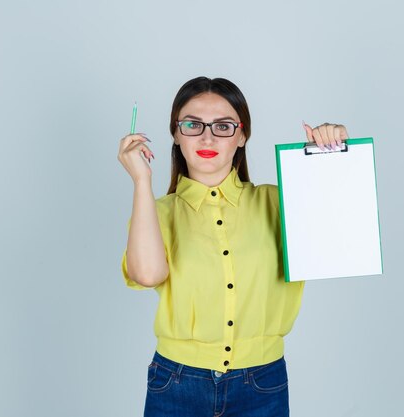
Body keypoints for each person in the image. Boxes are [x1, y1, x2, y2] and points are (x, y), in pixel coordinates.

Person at [118, 76, 348, 417]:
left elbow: (339, 238)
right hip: (177, 382)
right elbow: (148, 274)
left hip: (261, 383)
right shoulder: (156, 213)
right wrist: (141, 180)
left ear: (242, 135)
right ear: (176, 134)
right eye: (193, 124)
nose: (207, 137)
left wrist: (333, 156)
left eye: (223, 126)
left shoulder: (279, 202)